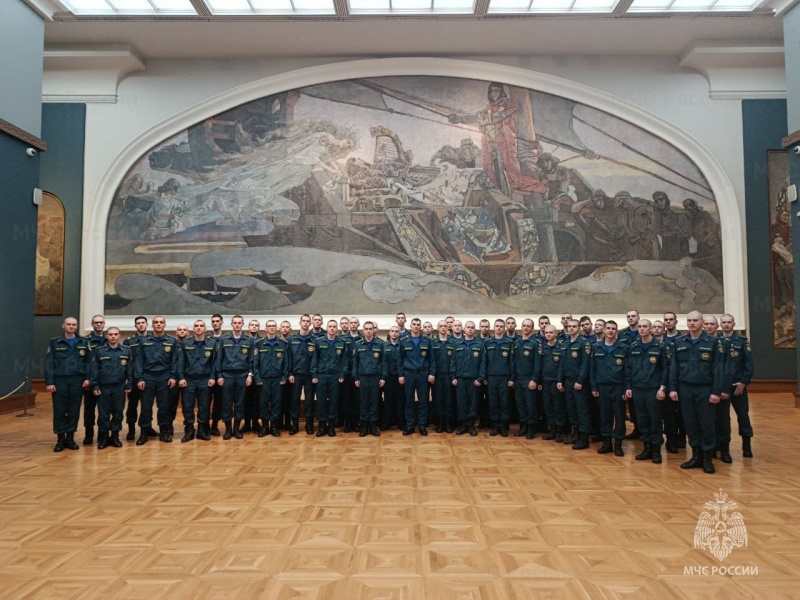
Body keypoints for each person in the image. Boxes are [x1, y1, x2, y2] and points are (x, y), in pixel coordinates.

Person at [669, 311, 725, 474]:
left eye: (695, 320)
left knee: (707, 424)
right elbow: (674, 367)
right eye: (689, 320)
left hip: (705, 388)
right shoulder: (679, 342)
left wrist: (716, 391)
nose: (692, 323)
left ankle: (707, 458)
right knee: (690, 423)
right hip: (685, 388)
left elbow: (719, 369)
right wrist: (673, 388)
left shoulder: (713, 342)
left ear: (702, 322)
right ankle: (696, 456)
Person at [624, 319, 670, 464]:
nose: (642, 329)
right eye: (640, 326)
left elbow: (665, 369)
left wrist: (662, 388)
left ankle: (656, 451)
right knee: (642, 420)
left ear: (651, 329)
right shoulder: (633, 346)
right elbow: (628, 369)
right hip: (637, 389)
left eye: (645, 326)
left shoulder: (661, 346)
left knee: (655, 420)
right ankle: (647, 447)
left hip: (654, 389)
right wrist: (628, 387)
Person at [45, 317, 91, 452]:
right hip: (60, 380)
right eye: (69, 324)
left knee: (74, 410)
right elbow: (49, 363)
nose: (71, 326)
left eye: (74, 325)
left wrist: (87, 378)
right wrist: (49, 382)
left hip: (77, 380)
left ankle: (70, 438)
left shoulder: (84, 342)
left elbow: (89, 362)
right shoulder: (55, 342)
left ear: (76, 326)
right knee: (59, 410)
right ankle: (60, 439)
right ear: (63, 326)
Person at [133, 315, 179, 445]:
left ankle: (164, 432)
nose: (158, 324)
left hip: (164, 378)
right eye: (156, 322)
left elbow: (175, 361)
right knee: (146, 407)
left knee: (164, 406)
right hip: (148, 378)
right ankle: (144, 433)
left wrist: (173, 376)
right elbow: (138, 361)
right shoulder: (144, 341)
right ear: (152, 325)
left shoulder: (172, 341)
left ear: (164, 325)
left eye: (161, 322)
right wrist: (139, 378)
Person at [89, 326, 132, 449]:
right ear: (106, 336)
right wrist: (95, 385)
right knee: (103, 414)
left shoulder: (126, 351)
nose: (113, 336)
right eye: (111, 334)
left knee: (118, 413)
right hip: (103, 387)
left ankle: (114, 436)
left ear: (119, 336)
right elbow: (94, 370)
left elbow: (130, 369)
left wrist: (129, 384)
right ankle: (104, 438)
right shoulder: (99, 351)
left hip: (119, 387)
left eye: (116, 334)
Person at [590, 320, 628, 457]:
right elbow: (592, 369)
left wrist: (626, 389)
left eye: (613, 329)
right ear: (604, 330)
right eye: (608, 328)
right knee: (605, 416)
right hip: (602, 387)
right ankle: (607, 443)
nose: (610, 331)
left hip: (618, 387)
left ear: (616, 331)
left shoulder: (624, 348)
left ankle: (618, 444)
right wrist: (593, 387)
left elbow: (627, 371)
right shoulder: (596, 347)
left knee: (619, 416)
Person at [213, 315, 255, 440]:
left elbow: (251, 360)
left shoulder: (248, 340)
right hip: (227, 376)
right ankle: (228, 429)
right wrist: (219, 376)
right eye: (235, 323)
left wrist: (250, 375)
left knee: (240, 403)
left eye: (239, 323)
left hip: (242, 375)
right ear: (231, 324)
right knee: (226, 403)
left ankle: (236, 429)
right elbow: (219, 360)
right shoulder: (223, 340)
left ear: (242, 324)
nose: (237, 325)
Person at [719, 314, 754, 458]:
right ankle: (724, 449)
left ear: (734, 324)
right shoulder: (716, 341)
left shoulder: (742, 340)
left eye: (729, 322)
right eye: (724, 322)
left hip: (738, 387)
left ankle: (747, 446)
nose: (726, 324)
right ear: (720, 325)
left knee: (743, 416)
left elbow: (749, 363)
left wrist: (744, 382)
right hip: (722, 388)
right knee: (723, 418)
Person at [175, 319, 215, 442]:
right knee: (187, 406)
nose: (199, 327)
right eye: (196, 326)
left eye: (201, 326)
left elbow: (214, 363)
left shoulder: (212, 343)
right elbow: (180, 362)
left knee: (204, 406)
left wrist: (212, 377)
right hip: (189, 379)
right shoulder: (185, 343)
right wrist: (181, 377)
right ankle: (189, 430)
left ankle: (202, 430)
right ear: (193, 329)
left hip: (205, 379)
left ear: (205, 329)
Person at [558, 319, 591, 449]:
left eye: (574, 326)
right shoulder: (565, 344)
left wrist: (580, 381)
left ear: (579, 328)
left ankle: (584, 438)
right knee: (571, 409)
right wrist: (560, 380)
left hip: (579, 382)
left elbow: (585, 364)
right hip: (568, 381)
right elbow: (562, 364)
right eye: (569, 326)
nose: (571, 328)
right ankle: (575, 433)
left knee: (582, 410)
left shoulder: (584, 343)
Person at [399, 318, 436, 436]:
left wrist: (432, 373)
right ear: (410, 326)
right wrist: (400, 375)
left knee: (423, 402)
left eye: (418, 324)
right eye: (414, 324)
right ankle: (410, 426)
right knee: (409, 402)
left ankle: (422, 426)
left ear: (421, 327)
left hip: (423, 374)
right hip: (408, 374)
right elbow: (400, 360)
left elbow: (432, 359)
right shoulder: (403, 341)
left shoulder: (427, 341)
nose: (416, 326)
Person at [253, 320, 290, 437]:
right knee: (263, 403)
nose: (271, 328)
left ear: (277, 328)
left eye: (273, 326)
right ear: (265, 328)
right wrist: (257, 378)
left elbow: (286, 362)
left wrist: (284, 377)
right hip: (263, 379)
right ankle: (265, 426)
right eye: (269, 326)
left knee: (276, 403)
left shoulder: (283, 344)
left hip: (278, 379)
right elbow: (255, 363)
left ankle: (274, 426)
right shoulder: (259, 344)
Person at [311, 320, 348, 437]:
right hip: (321, 376)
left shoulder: (341, 343)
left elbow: (344, 361)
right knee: (321, 401)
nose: (332, 328)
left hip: (335, 376)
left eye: (334, 326)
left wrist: (342, 375)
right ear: (326, 328)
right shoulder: (319, 342)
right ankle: (322, 426)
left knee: (334, 401)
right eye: (330, 326)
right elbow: (314, 360)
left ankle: (331, 426)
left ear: (337, 329)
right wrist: (314, 375)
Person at [450, 321, 485, 436]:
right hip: (460, 379)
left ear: (475, 330)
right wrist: (453, 376)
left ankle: (471, 425)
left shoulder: (480, 344)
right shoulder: (457, 344)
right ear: (464, 329)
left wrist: (480, 378)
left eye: (472, 327)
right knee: (461, 403)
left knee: (473, 403)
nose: (470, 329)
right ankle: (462, 425)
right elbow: (453, 362)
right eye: (468, 327)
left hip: (474, 380)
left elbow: (483, 363)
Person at [353, 321, 387, 436]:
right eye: (366, 329)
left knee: (374, 402)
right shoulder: (358, 344)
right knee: (363, 402)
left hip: (375, 377)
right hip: (362, 377)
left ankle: (373, 426)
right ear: (363, 330)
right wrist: (355, 378)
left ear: (374, 330)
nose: (368, 331)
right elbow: (355, 363)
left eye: (370, 329)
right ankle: (364, 426)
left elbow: (384, 362)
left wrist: (383, 377)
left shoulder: (380, 344)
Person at [484, 319, 515, 437]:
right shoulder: (488, 342)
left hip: (505, 377)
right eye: (497, 326)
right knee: (493, 402)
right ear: (494, 327)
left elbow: (512, 362)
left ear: (504, 328)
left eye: (501, 326)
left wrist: (512, 378)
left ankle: (503, 426)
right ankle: (495, 425)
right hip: (491, 377)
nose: (499, 328)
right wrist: (484, 376)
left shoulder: (509, 343)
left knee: (504, 402)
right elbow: (484, 361)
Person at [513, 318, 541, 440]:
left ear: (532, 328)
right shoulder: (517, 343)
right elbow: (513, 362)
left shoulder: (535, 343)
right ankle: (523, 427)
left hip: (529, 379)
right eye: (524, 325)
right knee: (520, 405)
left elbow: (538, 364)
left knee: (530, 405)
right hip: (518, 379)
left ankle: (531, 429)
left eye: (528, 326)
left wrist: (534, 379)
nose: (525, 328)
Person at [288, 314, 316, 435]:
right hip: (296, 375)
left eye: (307, 321)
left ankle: (309, 424)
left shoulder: (314, 340)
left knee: (309, 400)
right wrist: (290, 373)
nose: (305, 323)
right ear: (300, 323)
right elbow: (288, 359)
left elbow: (316, 359)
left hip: (309, 375)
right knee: (295, 400)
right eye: (303, 321)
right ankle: (295, 425)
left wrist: (314, 374)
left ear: (310, 323)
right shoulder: (292, 340)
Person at [123, 315, 149, 441]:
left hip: (148, 377)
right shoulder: (129, 341)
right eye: (138, 323)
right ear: (135, 326)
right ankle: (131, 429)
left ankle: (147, 428)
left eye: (143, 322)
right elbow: (126, 361)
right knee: (132, 405)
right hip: (133, 378)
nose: (141, 325)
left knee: (146, 405)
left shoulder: (151, 339)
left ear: (147, 324)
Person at [82, 314, 107, 445]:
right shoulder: (85, 341)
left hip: (105, 382)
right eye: (96, 322)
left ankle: (103, 435)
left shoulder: (109, 339)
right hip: (89, 382)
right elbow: (83, 362)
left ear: (104, 324)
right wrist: (86, 379)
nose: (98, 324)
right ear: (92, 324)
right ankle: (88, 434)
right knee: (89, 410)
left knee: (104, 410)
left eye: (101, 322)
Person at [430, 321, 454, 433]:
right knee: (438, 400)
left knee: (449, 400)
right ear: (437, 328)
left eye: (445, 326)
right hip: (437, 376)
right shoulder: (432, 343)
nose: (443, 328)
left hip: (449, 376)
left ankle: (448, 423)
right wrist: (432, 373)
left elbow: (455, 360)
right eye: (441, 326)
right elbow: (431, 360)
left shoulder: (453, 342)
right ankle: (439, 423)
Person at [381, 325, 404, 431]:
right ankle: (387, 422)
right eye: (392, 331)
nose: (394, 333)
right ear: (389, 333)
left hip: (400, 377)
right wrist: (383, 376)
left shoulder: (402, 346)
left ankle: (401, 423)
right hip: (388, 377)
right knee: (388, 401)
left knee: (400, 401)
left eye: (396, 331)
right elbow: (383, 363)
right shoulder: (384, 346)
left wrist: (402, 375)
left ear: (399, 334)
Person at [242, 319, 262, 434]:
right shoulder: (244, 340)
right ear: (248, 327)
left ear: (259, 327)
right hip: (245, 375)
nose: (254, 327)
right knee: (245, 400)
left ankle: (255, 423)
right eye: (252, 325)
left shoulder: (261, 341)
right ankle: (246, 423)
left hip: (258, 375)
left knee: (256, 400)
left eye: (256, 325)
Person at [208, 313, 225, 436]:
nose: (215, 323)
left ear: (221, 322)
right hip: (208, 375)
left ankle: (214, 425)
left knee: (219, 402)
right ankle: (204, 425)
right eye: (213, 321)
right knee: (205, 401)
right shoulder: (207, 339)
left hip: (221, 376)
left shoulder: (226, 339)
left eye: (217, 321)